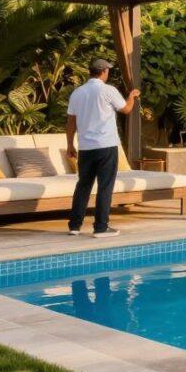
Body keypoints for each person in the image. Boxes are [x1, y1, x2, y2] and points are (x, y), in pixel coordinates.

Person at [66, 59, 139, 238]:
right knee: (105, 186)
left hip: (85, 148)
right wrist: (132, 96)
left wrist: (70, 144)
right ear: (104, 71)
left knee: (83, 185)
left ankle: (74, 226)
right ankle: (101, 227)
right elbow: (126, 110)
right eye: (108, 71)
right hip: (106, 146)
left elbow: (71, 122)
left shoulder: (77, 93)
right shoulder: (108, 90)